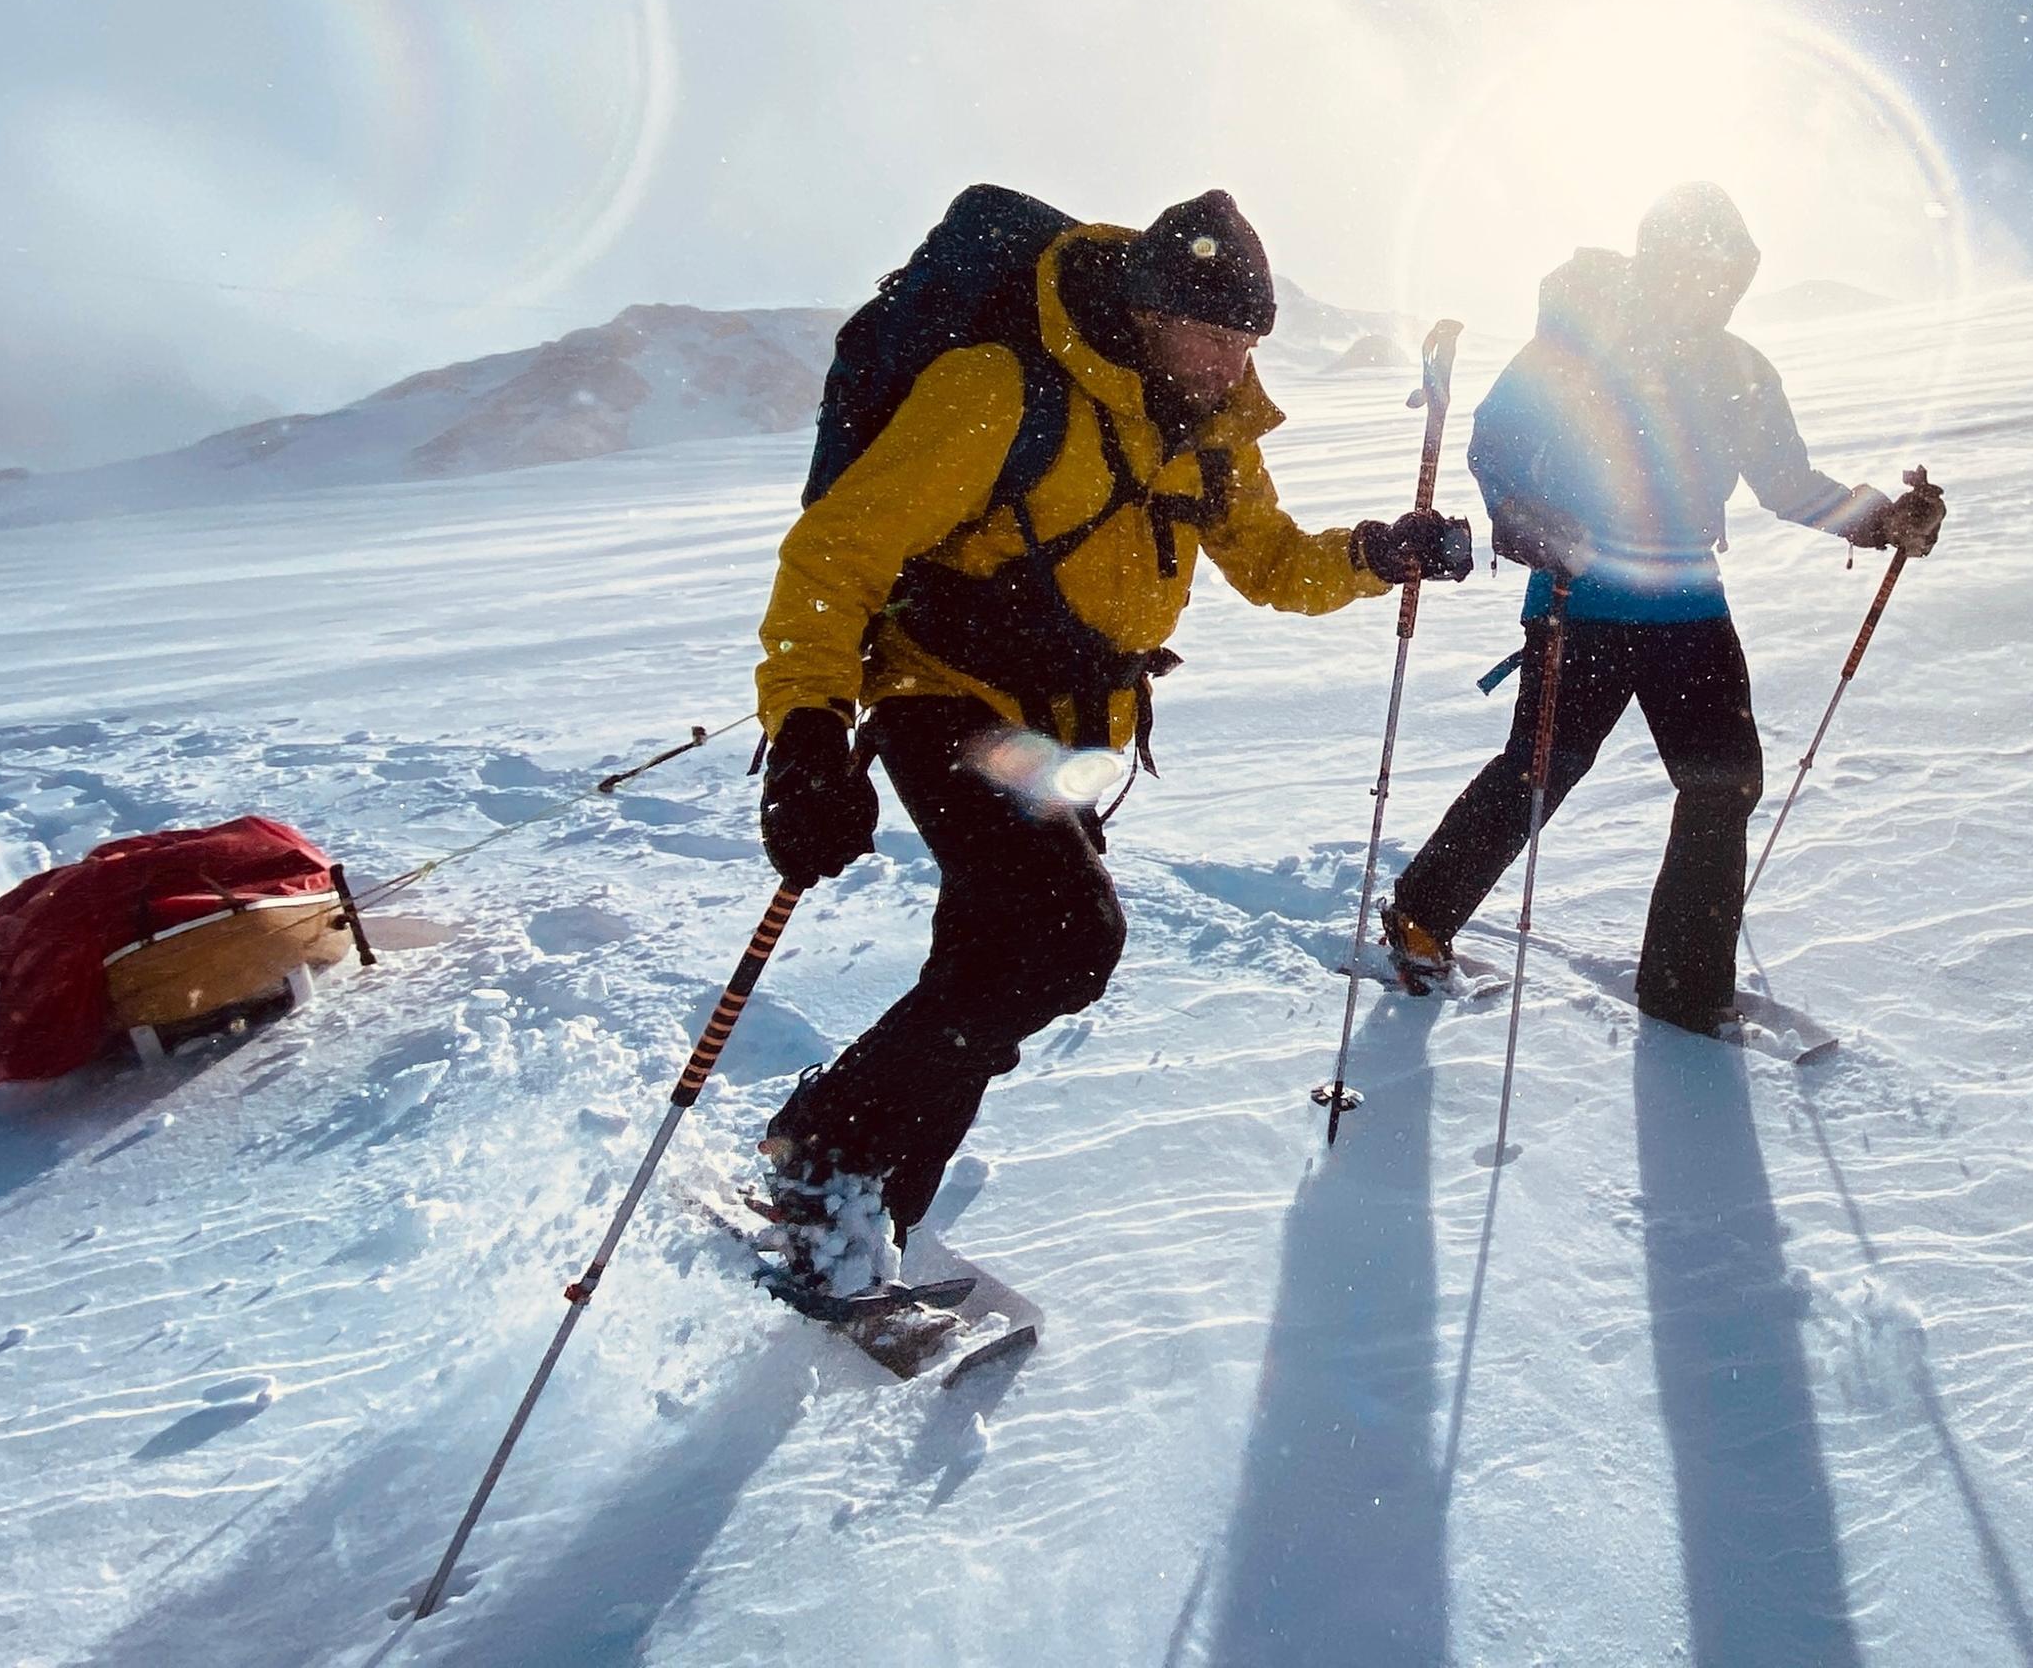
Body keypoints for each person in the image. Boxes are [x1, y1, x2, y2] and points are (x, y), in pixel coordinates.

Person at [745, 189, 1473, 1294]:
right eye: (1212, 336)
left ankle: (875, 1212)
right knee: (1065, 938)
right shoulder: (1001, 390)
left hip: (1070, 734)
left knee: (987, 962)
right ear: (1147, 310)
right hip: (947, 697)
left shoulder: (1212, 436)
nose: (1232, 365)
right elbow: (835, 555)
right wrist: (806, 731)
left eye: (1248, 341)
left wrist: (1379, 552)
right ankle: (824, 1151)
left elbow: (1274, 564)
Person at [1380, 182, 1943, 1033]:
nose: (1713, 290)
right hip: (1581, 596)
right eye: (1696, 269)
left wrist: (1884, 522)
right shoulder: (1579, 343)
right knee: (1542, 768)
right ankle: (1422, 916)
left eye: (1728, 275)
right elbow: (1496, 439)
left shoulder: (1739, 368)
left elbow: (1788, 482)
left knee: (1725, 782)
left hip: (1689, 605)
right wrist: (1521, 517)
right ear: (1656, 264)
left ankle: (1685, 990)